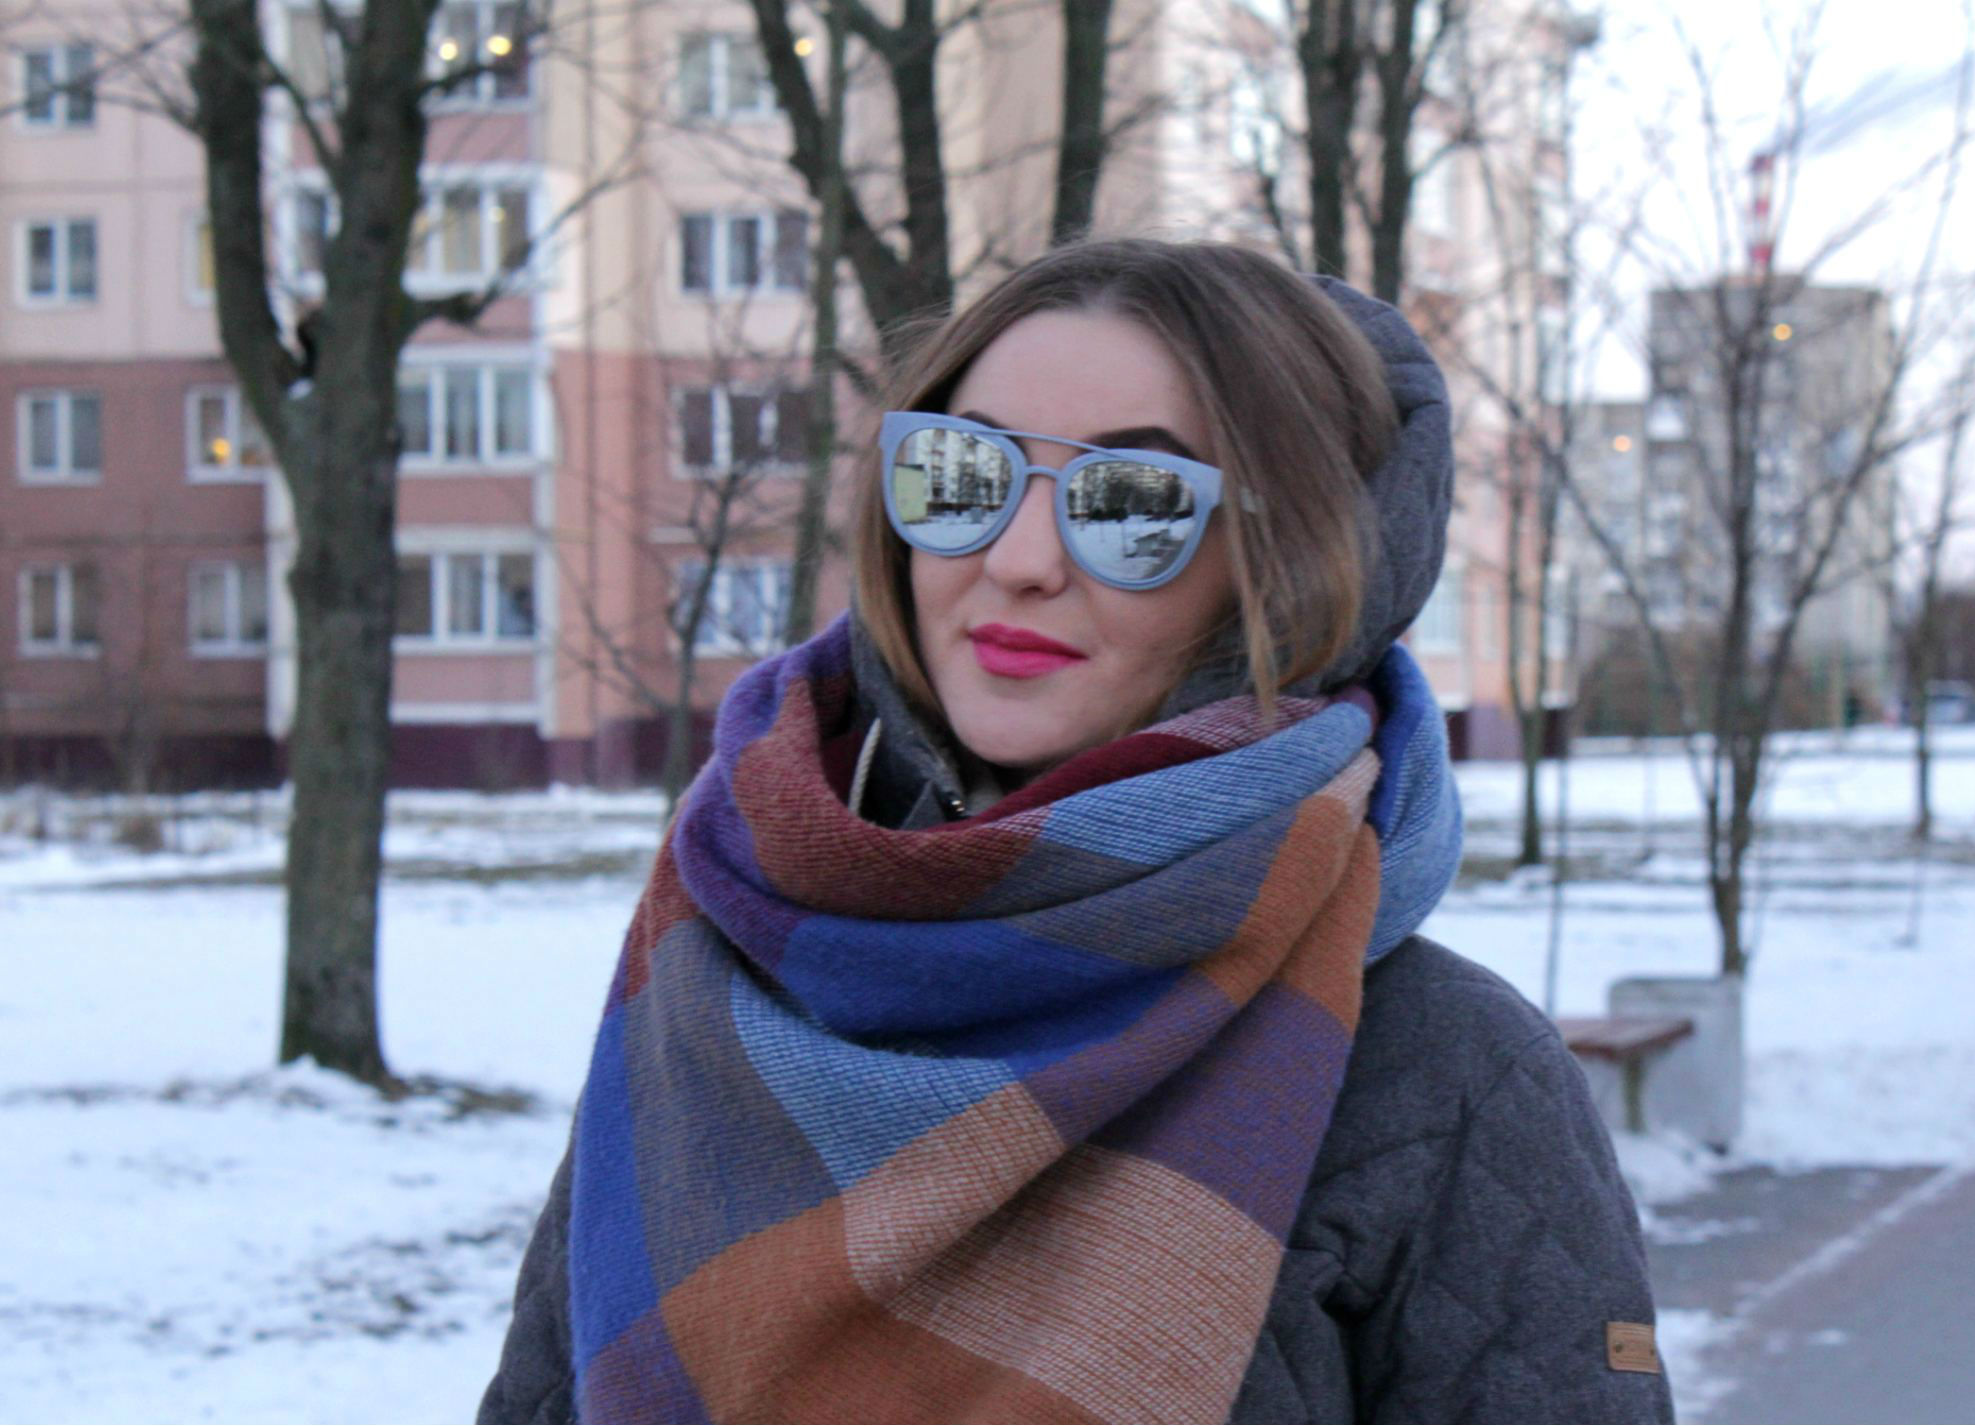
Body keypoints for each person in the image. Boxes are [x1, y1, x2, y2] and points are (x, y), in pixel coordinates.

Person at [479, 238, 1672, 1424]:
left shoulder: (1441, 1073)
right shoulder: (717, 978)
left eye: (1135, 501)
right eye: (963, 471)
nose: (1017, 560)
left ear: (1282, 567)